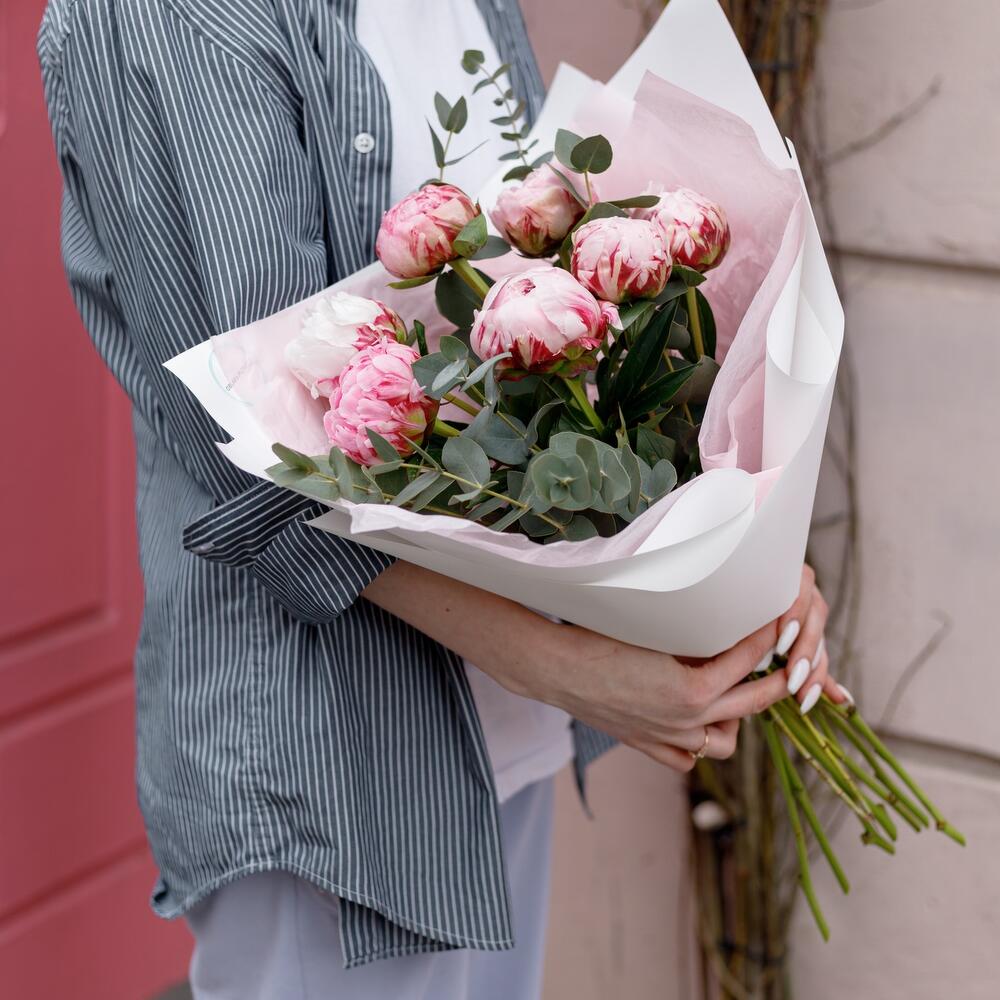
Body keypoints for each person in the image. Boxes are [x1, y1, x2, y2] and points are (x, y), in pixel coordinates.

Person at [37, 1, 843, 996]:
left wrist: (736, 549)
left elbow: (546, 295)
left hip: (504, 720)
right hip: (338, 766)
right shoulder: (172, 18)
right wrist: (564, 665)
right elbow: (254, 434)